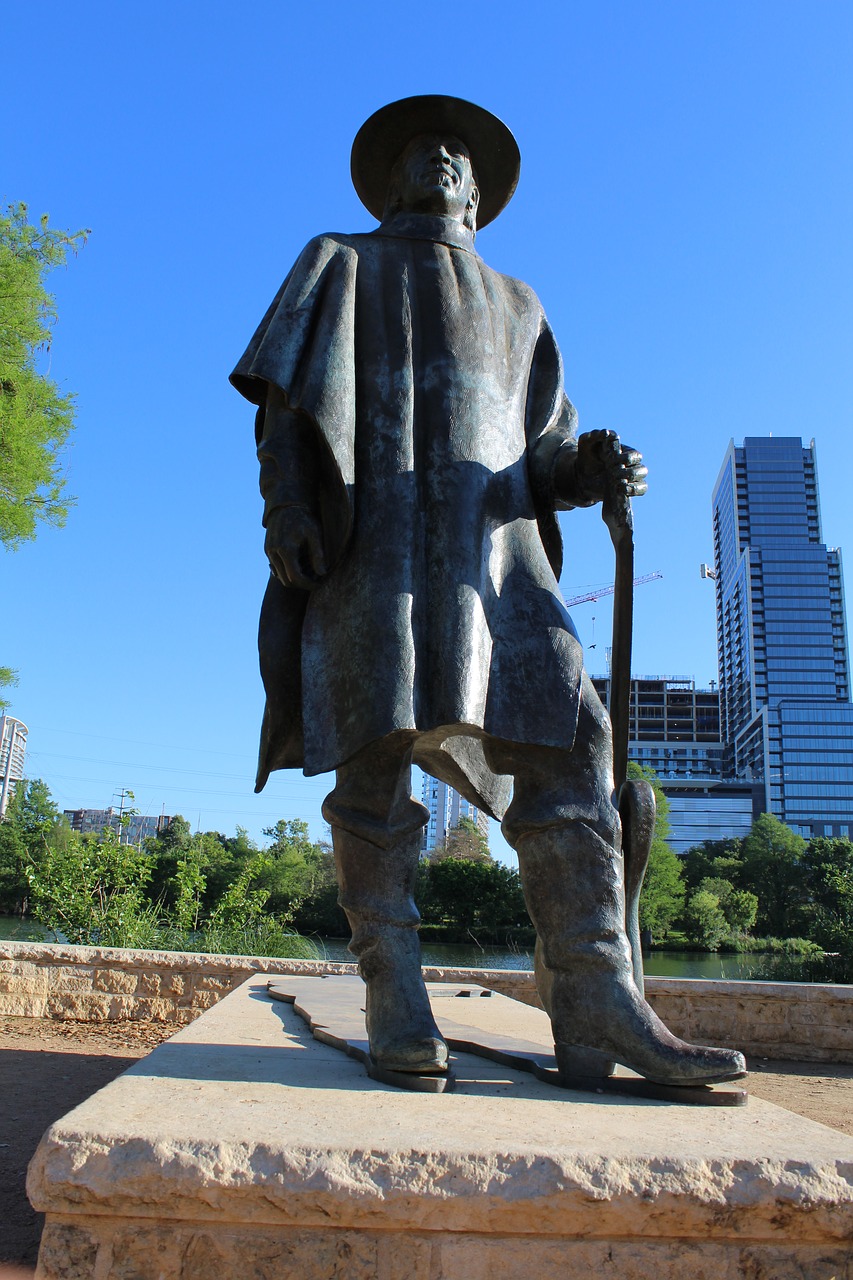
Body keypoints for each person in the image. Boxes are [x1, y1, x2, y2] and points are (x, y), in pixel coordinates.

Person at [231, 96, 745, 1088]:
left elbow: (543, 446)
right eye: (422, 152)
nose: (440, 160)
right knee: (373, 751)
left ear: (481, 191)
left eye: (457, 155)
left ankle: (595, 992)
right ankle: (394, 986)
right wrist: (287, 503)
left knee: (572, 736)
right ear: (391, 181)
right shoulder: (336, 261)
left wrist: (589, 467)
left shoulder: (520, 302)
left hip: (496, 558)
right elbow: (286, 414)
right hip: (369, 542)